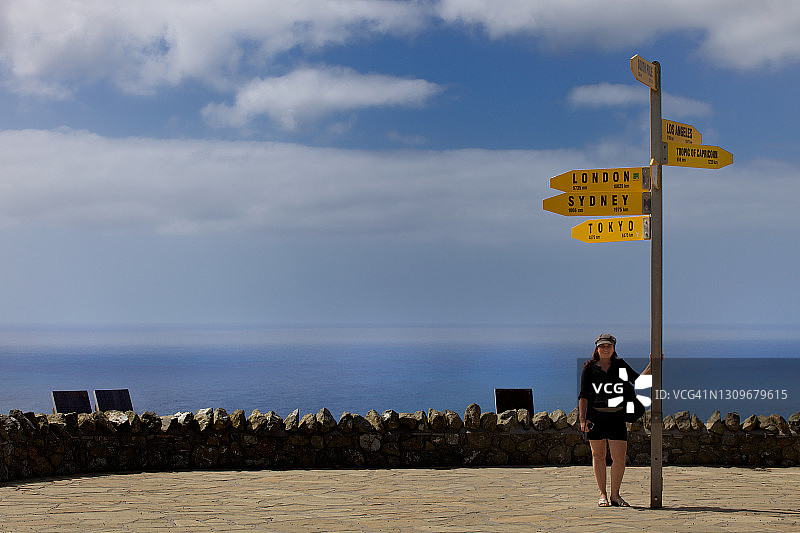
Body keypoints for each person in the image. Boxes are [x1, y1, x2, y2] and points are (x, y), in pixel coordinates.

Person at [578, 333, 656, 507]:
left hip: (617, 417)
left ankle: (615, 495)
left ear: (613, 348)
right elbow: (583, 396)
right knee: (598, 456)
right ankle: (602, 494)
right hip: (596, 417)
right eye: (602, 346)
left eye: (609, 346)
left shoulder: (620, 365)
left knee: (619, 457)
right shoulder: (589, 368)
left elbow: (639, 381)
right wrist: (582, 419)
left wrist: (653, 364)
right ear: (597, 348)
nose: (605, 349)